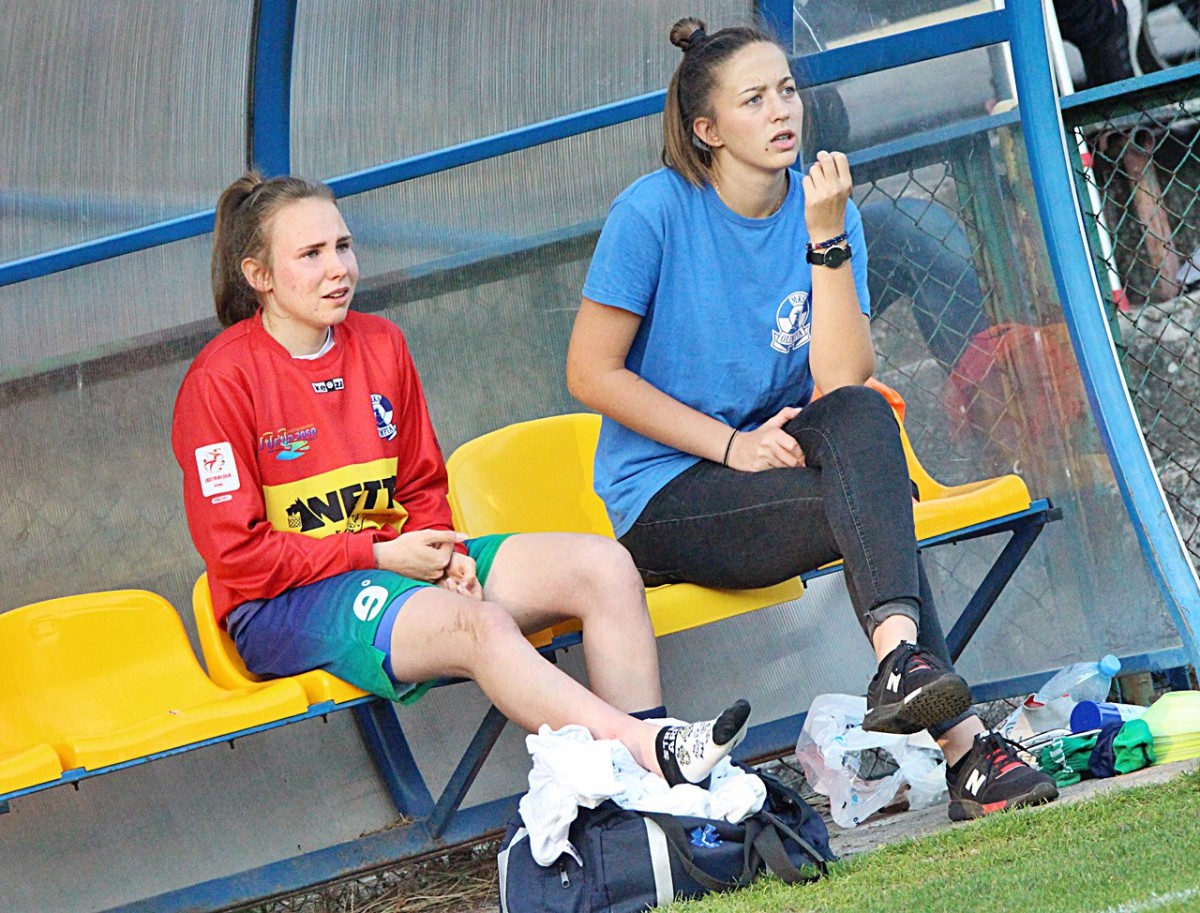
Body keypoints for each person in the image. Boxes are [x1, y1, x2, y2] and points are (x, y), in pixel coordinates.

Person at [565, 18, 1060, 821]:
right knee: (869, 501)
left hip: (781, 458)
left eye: (787, 91)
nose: (781, 111)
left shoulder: (824, 208)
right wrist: (731, 444)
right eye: (753, 99)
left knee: (863, 413)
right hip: (668, 492)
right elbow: (590, 371)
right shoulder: (652, 211)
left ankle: (898, 659)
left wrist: (826, 236)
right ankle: (966, 747)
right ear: (707, 129)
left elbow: (840, 378)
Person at [171, 172, 751, 789]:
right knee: (482, 626)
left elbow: (421, 484)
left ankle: (656, 800)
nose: (339, 268)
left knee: (603, 566)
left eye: (343, 246)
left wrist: (445, 555)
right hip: (283, 604)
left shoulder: (381, 343)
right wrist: (377, 554)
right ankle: (650, 752)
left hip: (395, 560)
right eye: (311, 255)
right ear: (259, 275)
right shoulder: (220, 381)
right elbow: (239, 558)